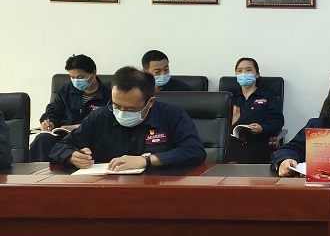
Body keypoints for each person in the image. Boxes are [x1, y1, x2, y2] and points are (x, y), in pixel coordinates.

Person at [49, 67, 205, 171]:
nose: (122, 113)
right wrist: (72, 157)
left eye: (130, 109)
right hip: (108, 188)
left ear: (150, 102)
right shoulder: (101, 116)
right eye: (117, 106)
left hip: (158, 186)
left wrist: (147, 160)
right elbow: (61, 146)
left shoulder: (172, 115)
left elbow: (195, 151)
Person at [30, 54, 112, 162]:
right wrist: (49, 122)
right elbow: (53, 111)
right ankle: (40, 172)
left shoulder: (108, 95)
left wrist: (78, 127)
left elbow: (107, 125)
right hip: (62, 137)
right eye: (72, 77)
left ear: (93, 73)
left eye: (80, 77)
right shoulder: (65, 90)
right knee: (42, 139)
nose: (76, 81)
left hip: (89, 138)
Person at [227, 57, 284, 164]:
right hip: (233, 148)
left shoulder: (267, 96)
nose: (244, 74)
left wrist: (262, 128)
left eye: (248, 70)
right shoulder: (230, 97)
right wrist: (232, 122)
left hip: (259, 146)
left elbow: (277, 121)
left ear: (257, 74)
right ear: (236, 75)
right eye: (240, 71)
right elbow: (217, 128)